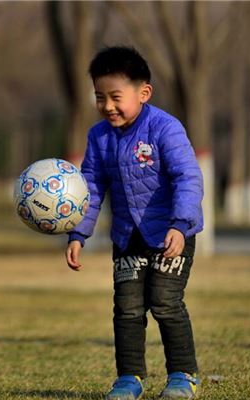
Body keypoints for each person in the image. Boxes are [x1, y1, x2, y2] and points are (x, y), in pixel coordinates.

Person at [65, 46, 204, 400]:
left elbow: (188, 177)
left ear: (144, 93)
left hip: (171, 233)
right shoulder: (99, 137)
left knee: (165, 302)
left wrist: (180, 224)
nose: (108, 106)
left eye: (116, 97)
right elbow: (91, 187)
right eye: (100, 97)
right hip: (128, 236)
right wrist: (79, 233)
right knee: (126, 308)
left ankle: (183, 374)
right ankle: (129, 378)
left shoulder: (165, 128)